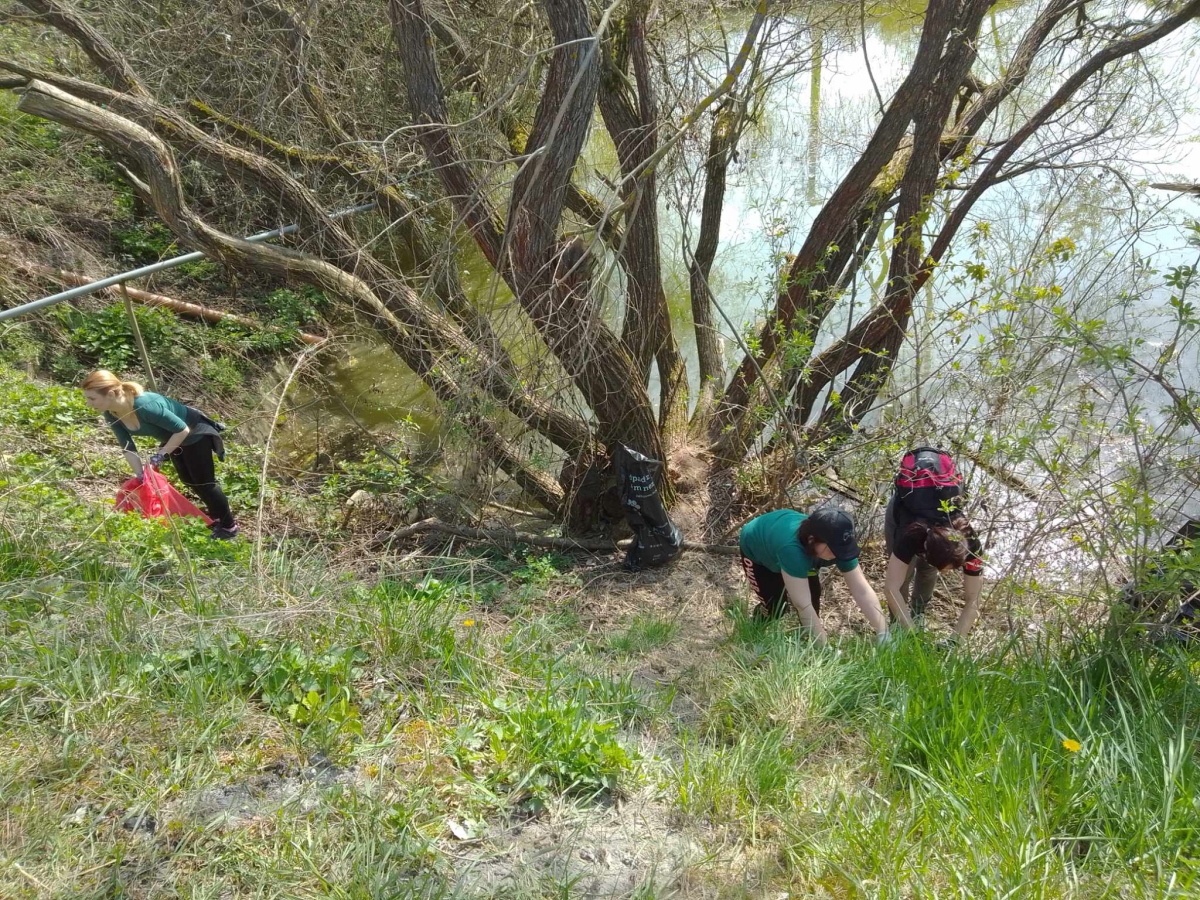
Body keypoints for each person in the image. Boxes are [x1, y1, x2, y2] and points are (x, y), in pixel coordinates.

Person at [81, 370, 238, 539]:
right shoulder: (111, 414)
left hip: (195, 433)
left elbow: (182, 429)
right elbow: (127, 447)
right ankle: (216, 517)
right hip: (173, 439)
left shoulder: (145, 406)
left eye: (92, 398)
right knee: (188, 480)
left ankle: (229, 527)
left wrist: (158, 457)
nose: (88, 404)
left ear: (111, 394)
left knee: (204, 482)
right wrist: (141, 475)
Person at [739, 505, 890, 645]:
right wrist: (826, 651)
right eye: (833, 549)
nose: (838, 554)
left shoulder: (838, 545)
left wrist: (884, 633)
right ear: (812, 539)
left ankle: (806, 642)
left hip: (797, 548)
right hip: (757, 549)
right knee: (775, 608)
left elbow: (862, 590)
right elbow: (802, 604)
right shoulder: (792, 551)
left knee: (813, 599)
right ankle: (752, 634)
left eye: (842, 548)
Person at [883, 447, 984, 640]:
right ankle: (898, 625)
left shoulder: (972, 544)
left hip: (934, 528)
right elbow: (891, 588)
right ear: (926, 550)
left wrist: (954, 641)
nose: (945, 573)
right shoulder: (910, 535)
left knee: (928, 572)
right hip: (902, 511)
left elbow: (974, 599)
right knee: (903, 577)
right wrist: (911, 635)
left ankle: (918, 613)